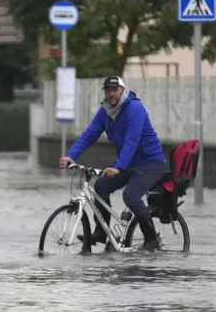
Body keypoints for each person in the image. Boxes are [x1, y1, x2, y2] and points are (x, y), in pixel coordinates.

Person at [59, 75, 167, 251]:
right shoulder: (106, 111)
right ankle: (102, 232)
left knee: (130, 196)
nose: (111, 94)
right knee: (101, 186)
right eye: (108, 90)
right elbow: (89, 135)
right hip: (128, 162)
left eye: (115, 90)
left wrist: (118, 167)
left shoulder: (135, 108)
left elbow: (132, 141)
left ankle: (151, 239)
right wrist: (71, 156)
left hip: (151, 162)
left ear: (123, 90)